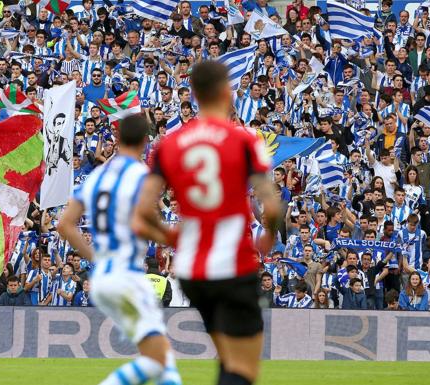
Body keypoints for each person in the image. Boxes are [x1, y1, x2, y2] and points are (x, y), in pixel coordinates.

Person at [132, 61, 279, 385]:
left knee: (227, 357)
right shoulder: (244, 139)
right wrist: (269, 233)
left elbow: (142, 212)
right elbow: (271, 201)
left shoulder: (168, 144)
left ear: (194, 94)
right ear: (226, 91)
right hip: (234, 264)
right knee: (244, 366)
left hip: (192, 269)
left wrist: (171, 235)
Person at [58, 114, 182, 385]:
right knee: (161, 359)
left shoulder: (96, 177)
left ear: (116, 139)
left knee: (159, 359)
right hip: (126, 276)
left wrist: (96, 260)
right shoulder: (139, 176)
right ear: (145, 141)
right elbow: (144, 222)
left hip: (103, 278)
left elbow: (65, 225)